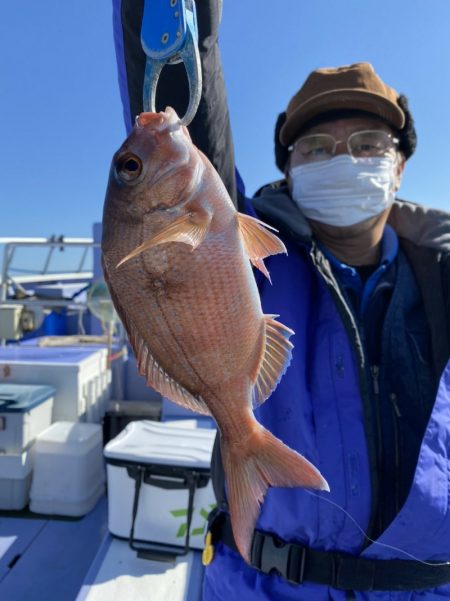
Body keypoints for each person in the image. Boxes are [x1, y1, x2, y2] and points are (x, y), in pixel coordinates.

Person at [113, 1, 450, 599]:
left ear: (399, 168)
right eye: (316, 147)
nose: (342, 159)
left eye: (369, 143)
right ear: (288, 170)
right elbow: (187, 96)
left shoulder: (443, 277)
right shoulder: (249, 246)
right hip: (264, 587)